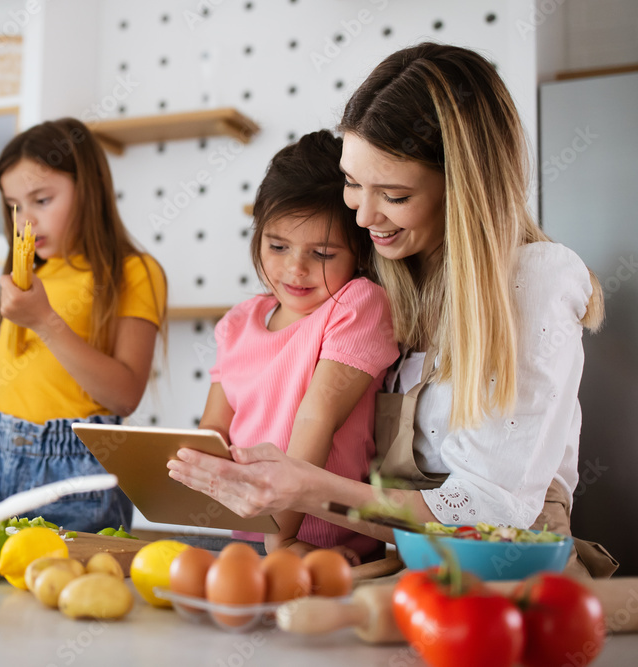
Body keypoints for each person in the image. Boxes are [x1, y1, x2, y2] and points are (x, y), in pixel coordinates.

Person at [167, 42, 617, 577]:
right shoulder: (388, 280)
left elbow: (493, 515)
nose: (362, 215)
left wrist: (305, 488)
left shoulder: (532, 280)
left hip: (500, 575)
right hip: (402, 562)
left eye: (395, 195)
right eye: (353, 184)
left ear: (464, 189)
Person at [0, 118, 167, 533]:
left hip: (75, 471)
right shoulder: (24, 276)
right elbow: (10, 389)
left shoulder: (133, 272)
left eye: (42, 200)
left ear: (89, 188)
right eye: (15, 205)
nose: (25, 222)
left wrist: (46, 321)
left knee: (68, 592)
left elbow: (124, 396)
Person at [201, 130, 397, 563]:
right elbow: (215, 426)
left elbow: (317, 419)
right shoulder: (237, 323)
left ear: (359, 253)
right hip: (247, 537)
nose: (296, 268)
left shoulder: (358, 304)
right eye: (277, 246)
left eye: (323, 254)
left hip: (328, 545)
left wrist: (282, 539)